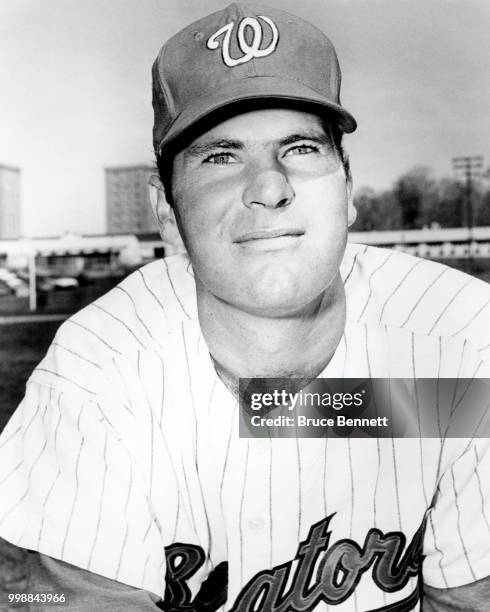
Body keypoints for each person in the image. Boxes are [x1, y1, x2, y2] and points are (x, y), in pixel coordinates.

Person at [0, 3, 489, 610]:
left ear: (349, 191)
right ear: (167, 215)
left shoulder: (465, 343)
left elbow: (470, 599)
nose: (269, 186)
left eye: (302, 148)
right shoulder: (96, 375)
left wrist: (297, 410)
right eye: (221, 156)